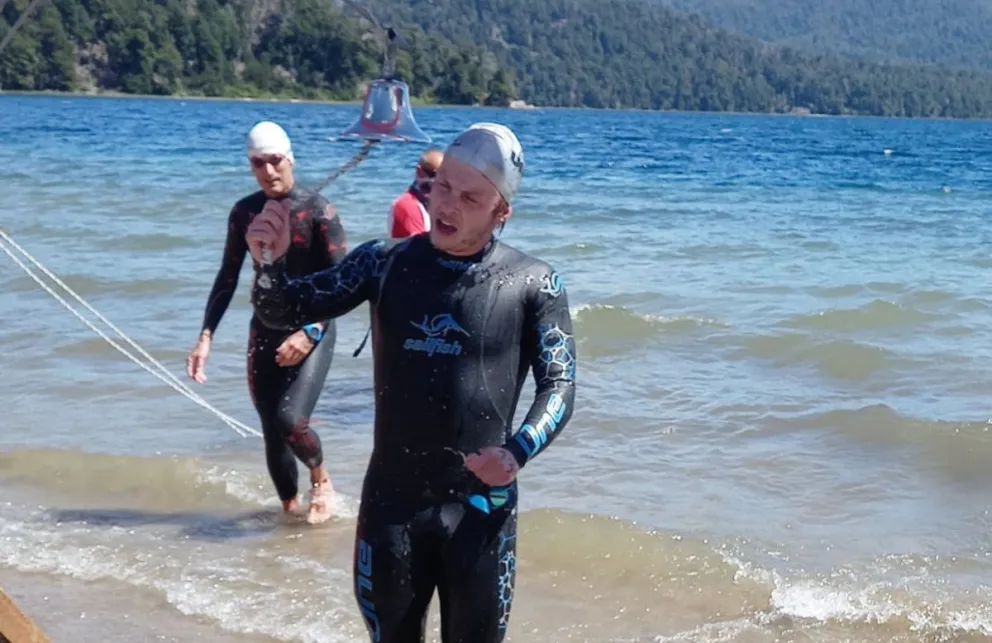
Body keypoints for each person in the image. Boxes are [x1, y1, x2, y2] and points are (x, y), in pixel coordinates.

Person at [245, 122, 576, 642]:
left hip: (480, 510)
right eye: (442, 185)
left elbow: (559, 385)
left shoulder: (534, 283)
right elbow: (280, 308)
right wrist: (269, 259)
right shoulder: (384, 263)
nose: (447, 204)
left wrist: (516, 453)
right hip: (391, 506)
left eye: (470, 197)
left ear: (500, 212)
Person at [185, 120, 348, 525]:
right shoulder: (244, 213)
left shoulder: (319, 212)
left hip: (313, 328)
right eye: (258, 163)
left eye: (275, 160)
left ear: (290, 159)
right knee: (271, 431)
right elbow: (227, 276)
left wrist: (311, 331)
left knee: (290, 420)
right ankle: (290, 518)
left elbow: (344, 283)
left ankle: (321, 479)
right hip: (265, 328)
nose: (268, 171)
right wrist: (205, 336)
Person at [387, 148, 443, 239]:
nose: (437, 180)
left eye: (443, 176)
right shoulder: (407, 205)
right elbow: (420, 249)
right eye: (433, 174)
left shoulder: (429, 203)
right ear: (419, 172)